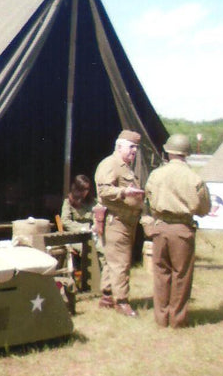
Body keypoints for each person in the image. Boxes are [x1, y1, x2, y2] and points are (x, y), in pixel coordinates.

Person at [143, 134, 211, 328]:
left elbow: (148, 199)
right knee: (181, 276)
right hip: (182, 230)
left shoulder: (156, 175)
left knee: (161, 274)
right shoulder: (194, 178)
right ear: (186, 153)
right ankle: (177, 320)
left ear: (168, 151)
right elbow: (204, 209)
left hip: (160, 227)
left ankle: (161, 318)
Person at [94, 130, 145, 317]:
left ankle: (107, 297)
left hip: (126, 221)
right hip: (116, 220)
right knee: (121, 263)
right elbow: (104, 190)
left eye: (136, 148)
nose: (134, 151)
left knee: (112, 260)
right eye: (131, 146)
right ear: (119, 145)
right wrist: (124, 192)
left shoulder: (125, 166)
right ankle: (122, 302)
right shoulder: (110, 164)